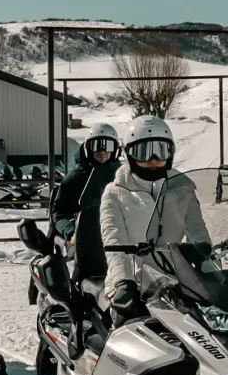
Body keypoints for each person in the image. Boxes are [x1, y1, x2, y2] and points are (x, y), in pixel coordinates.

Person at [99, 117, 206, 322]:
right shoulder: (115, 193)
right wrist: (123, 281)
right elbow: (114, 240)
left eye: (161, 151)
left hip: (177, 284)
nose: (154, 160)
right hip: (134, 285)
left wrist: (208, 260)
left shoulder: (183, 188)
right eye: (143, 153)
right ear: (129, 154)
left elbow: (197, 230)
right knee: (132, 341)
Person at [51, 122, 121, 306]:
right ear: (87, 148)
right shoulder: (75, 178)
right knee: (81, 286)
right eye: (97, 146)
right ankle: (76, 314)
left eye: (108, 146)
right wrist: (71, 231)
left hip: (117, 235)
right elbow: (59, 211)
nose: (103, 152)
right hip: (86, 238)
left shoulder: (122, 176)